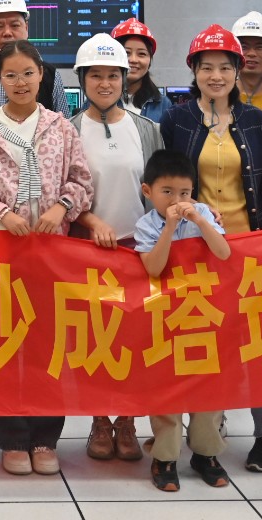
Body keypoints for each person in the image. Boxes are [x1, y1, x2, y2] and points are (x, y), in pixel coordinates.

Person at [0, 40, 92, 476]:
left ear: (41, 76)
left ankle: (46, 437)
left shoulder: (60, 127)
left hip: (50, 253)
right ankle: (12, 439)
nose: (20, 82)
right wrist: (0, 212)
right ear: (0, 80)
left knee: (49, 346)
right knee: (5, 345)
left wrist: (61, 208)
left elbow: (81, 181)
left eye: (28, 73)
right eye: (10, 75)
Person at [159, 24, 262, 472]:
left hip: (247, 243)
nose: (216, 76)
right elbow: (165, 183)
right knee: (201, 337)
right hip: (193, 248)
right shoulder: (176, 120)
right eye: (206, 67)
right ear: (193, 71)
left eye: (225, 67)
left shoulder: (256, 121)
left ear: (236, 71)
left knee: (261, 339)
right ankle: (209, 429)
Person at [70, 34, 162, 464]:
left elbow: (159, 193)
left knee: (134, 342)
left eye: (113, 75)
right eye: (96, 76)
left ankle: (127, 420)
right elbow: (61, 191)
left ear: (125, 78)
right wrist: (91, 222)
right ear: (82, 80)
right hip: (87, 253)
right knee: (94, 342)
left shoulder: (146, 130)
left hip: (136, 253)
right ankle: (99, 420)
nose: (104, 83)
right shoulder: (67, 129)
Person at [134, 149, 233, 492]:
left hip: (204, 312)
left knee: (208, 385)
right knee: (167, 387)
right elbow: (153, 267)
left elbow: (224, 253)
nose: (177, 200)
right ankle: (165, 456)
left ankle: (206, 453)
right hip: (165, 316)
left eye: (185, 193)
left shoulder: (202, 213)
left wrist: (201, 221)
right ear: (148, 191)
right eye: (167, 192)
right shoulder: (146, 225)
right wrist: (171, 227)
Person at [113, 18, 170, 124]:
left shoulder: (163, 104)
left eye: (142, 54)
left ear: (150, 60)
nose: (133, 60)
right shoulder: (96, 101)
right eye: (126, 53)